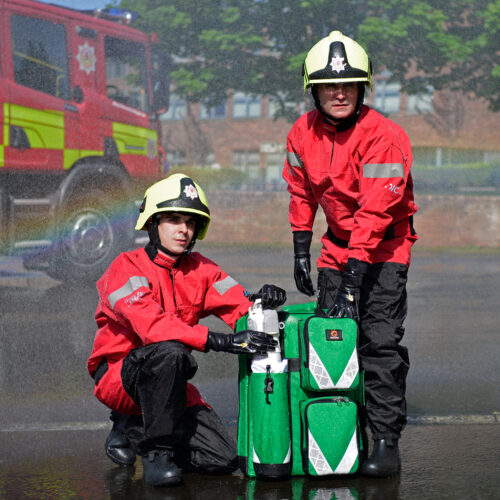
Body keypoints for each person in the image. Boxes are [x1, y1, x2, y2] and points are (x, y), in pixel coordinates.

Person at [88, 173, 286, 487]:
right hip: (120, 378)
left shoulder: (201, 269)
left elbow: (238, 304)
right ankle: (158, 453)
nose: (184, 229)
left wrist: (262, 302)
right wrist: (220, 341)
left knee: (221, 459)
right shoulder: (126, 267)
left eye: (191, 222)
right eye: (174, 220)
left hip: (169, 378)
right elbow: (153, 326)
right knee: (169, 350)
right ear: (152, 223)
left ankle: (133, 429)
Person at [283, 31, 418, 477]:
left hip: (383, 250)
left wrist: (354, 277)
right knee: (334, 346)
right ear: (313, 90)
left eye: (349, 85)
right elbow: (300, 191)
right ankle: (340, 430)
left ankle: (384, 438)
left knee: (378, 343)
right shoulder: (301, 133)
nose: (338, 93)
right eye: (328, 85)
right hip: (337, 249)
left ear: (363, 89)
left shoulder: (386, 136)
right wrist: (302, 246)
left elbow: (376, 212)